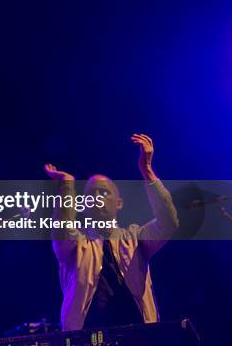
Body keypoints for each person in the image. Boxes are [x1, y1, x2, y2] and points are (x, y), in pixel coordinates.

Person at [43, 134, 179, 331]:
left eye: (104, 192)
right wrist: (66, 185)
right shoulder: (75, 245)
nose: (97, 197)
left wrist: (147, 170)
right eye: (91, 194)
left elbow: (169, 222)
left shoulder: (134, 239)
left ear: (119, 203)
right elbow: (61, 229)